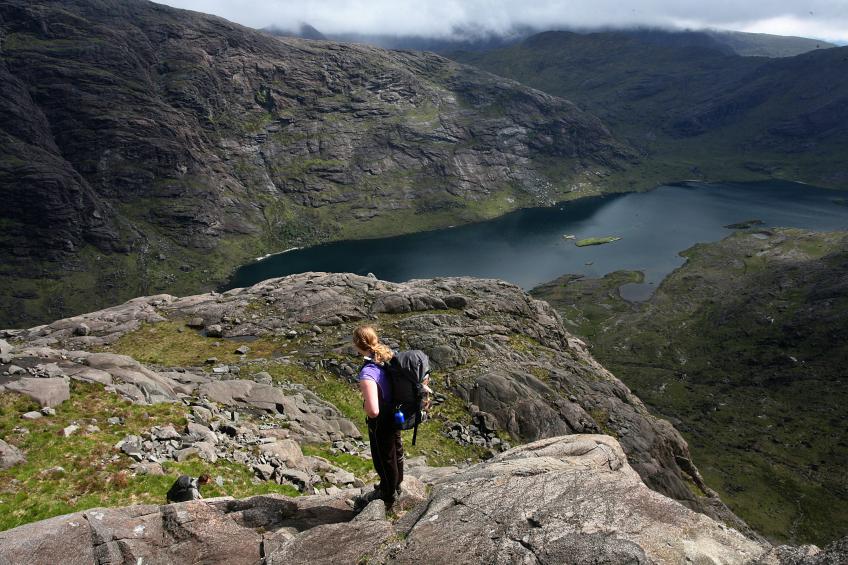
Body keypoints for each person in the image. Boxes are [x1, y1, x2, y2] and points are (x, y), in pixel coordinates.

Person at [353, 325, 403, 509]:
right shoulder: (385, 357)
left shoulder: (367, 372)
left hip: (381, 421)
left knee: (384, 458)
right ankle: (396, 485)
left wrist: (365, 405)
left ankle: (387, 495)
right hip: (395, 413)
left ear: (357, 345)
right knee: (396, 452)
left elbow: (373, 410)